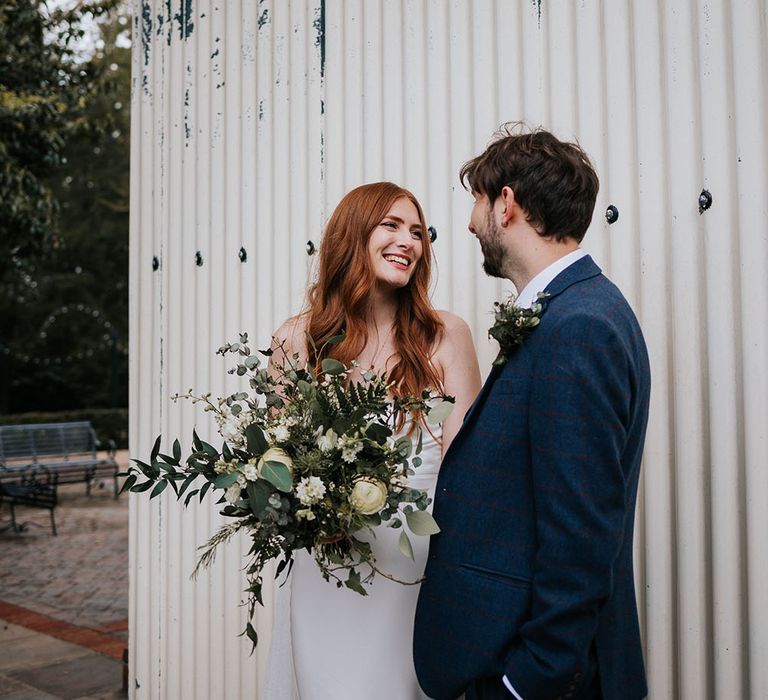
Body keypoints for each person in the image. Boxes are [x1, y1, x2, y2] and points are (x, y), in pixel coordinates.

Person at [413, 125, 651, 700]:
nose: (469, 224)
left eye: (476, 201)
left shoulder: (580, 327)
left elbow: (581, 541)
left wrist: (521, 686)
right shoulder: (572, 311)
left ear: (507, 203)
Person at [262, 181, 481, 700]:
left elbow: (468, 474)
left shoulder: (446, 336)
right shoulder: (297, 340)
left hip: (416, 571)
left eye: (418, 232)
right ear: (352, 235)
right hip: (327, 572)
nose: (409, 240)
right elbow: (276, 466)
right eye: (391, 225)